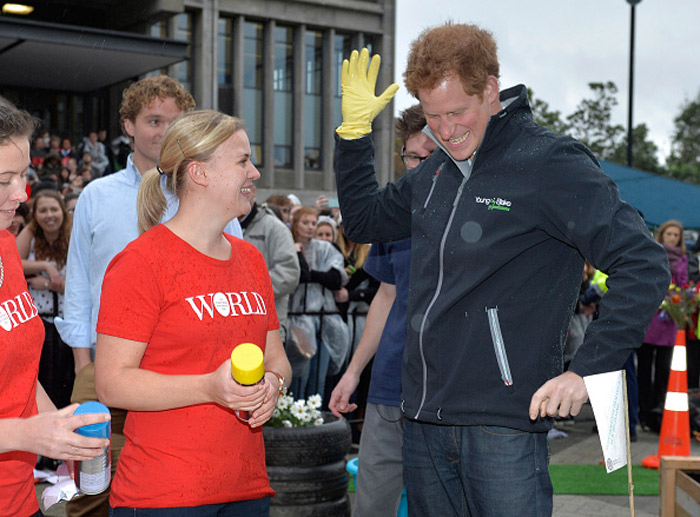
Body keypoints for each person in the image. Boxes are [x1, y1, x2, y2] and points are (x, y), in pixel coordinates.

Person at [333, 24, 670, 516]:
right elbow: (364, 220)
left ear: (490, 90)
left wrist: (588, 370)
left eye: (456, 112)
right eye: (432, 117)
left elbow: (643, 262)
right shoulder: (434, 172)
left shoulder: (550, 162)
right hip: (423, 420)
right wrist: (352, 135)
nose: (445, 131)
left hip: (504, 423)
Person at [55, 74, 242, 516]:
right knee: (88, 495)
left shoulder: (208, 193)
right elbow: (80, 282)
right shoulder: (96, 197)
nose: (164, 132)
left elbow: (233, 277)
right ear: (128, 125)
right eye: (153, 120)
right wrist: (85, 365)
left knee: (173, 492)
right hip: (104, 366)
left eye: (175, 122)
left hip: (187, 379)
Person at [94, 109, 290, 515]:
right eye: (242, 160)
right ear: (199, 173)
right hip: (164, 496)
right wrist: (207, 388)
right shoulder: (141, 262)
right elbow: (112, 384)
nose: (254, 173)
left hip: (246, 488)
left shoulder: (252, 260)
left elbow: (278, 360)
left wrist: (273, 386)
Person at [0, 96, 109, 517]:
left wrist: (62, 428)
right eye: (4, 179)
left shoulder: (7, 246)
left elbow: (21, 379)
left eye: (23, 174)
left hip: (18, 495)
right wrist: (28, 433)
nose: (21, 193)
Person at [330, 104, 436, 516]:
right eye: (413, 156)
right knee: (372, 505)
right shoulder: (394, 214)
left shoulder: (474, 208)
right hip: (390, 385)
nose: (420, 165)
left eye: (431, 156)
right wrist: (353, 372)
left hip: (449, 393)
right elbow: (386, 297)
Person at [16, 189, 75, 410]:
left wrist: (51, 284)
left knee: (65, 382)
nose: (49, 215)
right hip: (37, 324)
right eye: (42, 210)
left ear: (63, 211)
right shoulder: (31, 234)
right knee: (42, 381)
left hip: (67, 323)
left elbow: (82, 288)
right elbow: (13, 261)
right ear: (35, 215)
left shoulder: (73, 235)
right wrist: (45, 266)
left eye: (54, 209)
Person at [288, 206, 349, 403]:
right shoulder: (287, 246)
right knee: (299, 374)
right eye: (305, 222)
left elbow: (336, 278)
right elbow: (297, 277)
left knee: (319, 376)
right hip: (297, 318)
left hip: (323, 319)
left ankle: (317, 418)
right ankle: (296, 416)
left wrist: (312, 275)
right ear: (295, 224)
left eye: (313, 223)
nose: (310, 227)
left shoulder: (325, 248)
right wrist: (298, 256)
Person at [638, 219, 689, 432]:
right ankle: (643, 412)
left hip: (669, 320)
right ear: (662, 235)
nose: (672, 238)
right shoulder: (653, 252)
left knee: (663, 371)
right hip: (650, 319)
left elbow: (684, 284)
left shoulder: (683, 259)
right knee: (644, 368)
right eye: (669, 234)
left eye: (676, 235)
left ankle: (659, 413)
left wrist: (676, 299)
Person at [239, 183, 300, 345]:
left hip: (267, 327)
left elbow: (289, 273)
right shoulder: (223, 225)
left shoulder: (275, 228)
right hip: (233, 325)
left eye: (244, 190)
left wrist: (245, 293)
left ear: (254, 193)